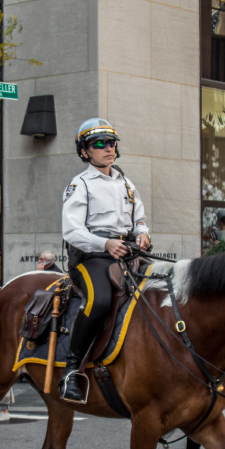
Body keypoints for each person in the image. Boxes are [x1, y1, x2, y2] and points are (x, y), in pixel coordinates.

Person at [60, 118, 150, 403]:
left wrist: (143, 234)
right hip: (92, 258)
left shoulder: (126, 183)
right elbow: (72, 231)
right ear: (85, 152)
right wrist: (105, 243)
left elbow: (140, 219)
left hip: (128, 253)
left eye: (111, 143)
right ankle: (73, 371)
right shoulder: (80, 184)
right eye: (99, 144)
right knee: (98, 302)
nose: (107, 148)